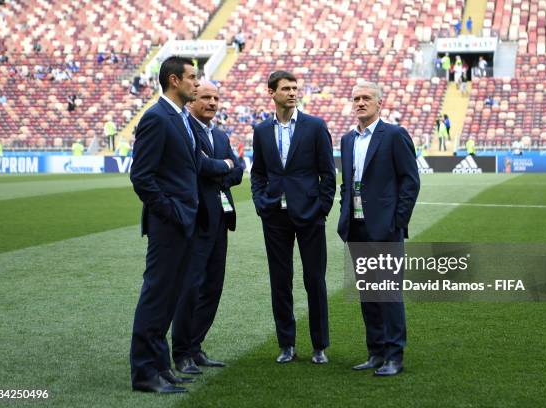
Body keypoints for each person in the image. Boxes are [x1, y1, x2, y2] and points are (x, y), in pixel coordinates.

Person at [251, 71, 336, 364]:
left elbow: (328, 174)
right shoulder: (261, 130)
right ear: (271, 92)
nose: (292, 92)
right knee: (280, 281)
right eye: (285, 88)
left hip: (309, 215)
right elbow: (258, 173)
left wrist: (321, 209)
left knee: (315, 280)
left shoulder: (315, 126)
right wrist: (262, 203)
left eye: (294, 88)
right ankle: (286, 345)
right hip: (275, 216)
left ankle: (319, 346)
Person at [129, 56, 202, 394]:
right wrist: (171, 211)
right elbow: (142, 177)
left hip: (182, 222)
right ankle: (145, 373)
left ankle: (161, 366)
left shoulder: (180, 118)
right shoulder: (157, 118)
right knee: (157, 295)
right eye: (192, 77)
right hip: (169, 224)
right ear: (174, 80)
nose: (197, 83)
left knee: (170, 296)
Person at [337, 81, 419, 376]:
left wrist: (398, 222)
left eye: (366, 98)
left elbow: (411, 181)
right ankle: (376, 352)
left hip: (385, 229)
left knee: (388, 293)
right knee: (368, 294)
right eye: (356, 97)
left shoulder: (394, 135)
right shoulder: (347, 140)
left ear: (379, 103)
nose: (360, 102)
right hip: (356, 227)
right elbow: (349, 184)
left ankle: (395, 356)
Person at [171, 80, 243, 375]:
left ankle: (196, 346)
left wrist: (223, 167)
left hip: (220, 220)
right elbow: (202, 168)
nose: (213, 102)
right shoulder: (186, 130)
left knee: (213, 286)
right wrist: (224, 167)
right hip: (197, 220)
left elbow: (238, 171)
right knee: (191, 287)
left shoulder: (221, 136)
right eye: (206, 97)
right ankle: (182, 352)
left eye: (216, 97)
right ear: (192, 100)